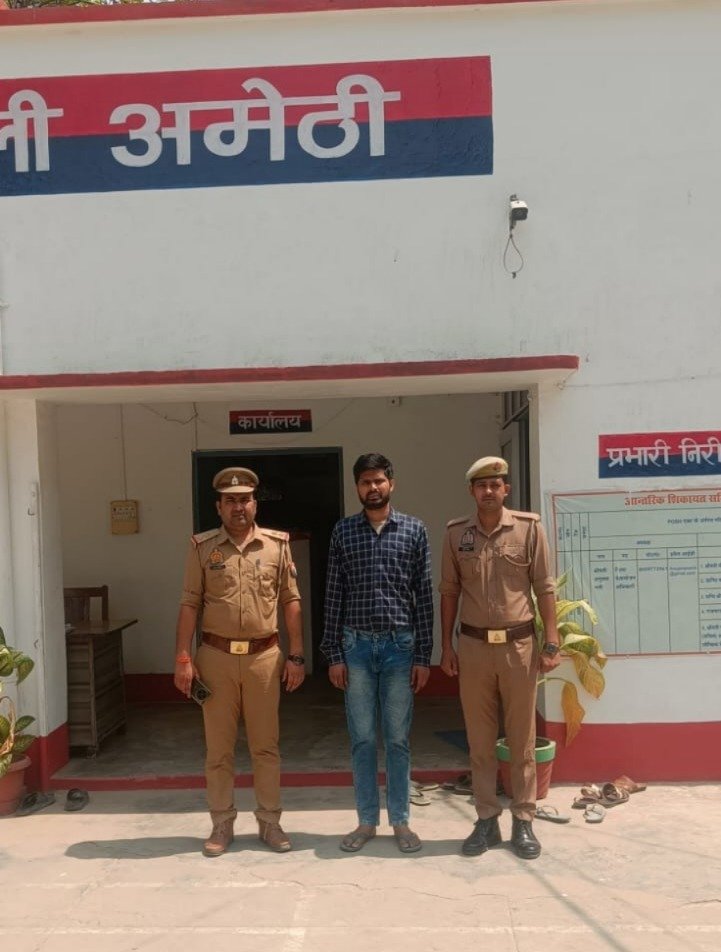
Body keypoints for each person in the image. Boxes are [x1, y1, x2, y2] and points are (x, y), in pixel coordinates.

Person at [174, 466, 305, 857]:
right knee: (219, 750)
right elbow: (189, 603)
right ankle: (221, 823)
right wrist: (183, 657)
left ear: (255, 503)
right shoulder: (202, 548)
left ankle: (270, 822)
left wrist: (296, 655)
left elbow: (291, 600)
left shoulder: (277, 546)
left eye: (245, 500)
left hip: (264, 659)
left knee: (266, 747)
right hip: (215, 658)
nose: (238, 507)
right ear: (218, 506)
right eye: (230, 501)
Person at [439, 456, 560, 860]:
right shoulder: (456, 534)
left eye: (495, 484)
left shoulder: (528, 528)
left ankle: (523, 820)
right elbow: (449, 591)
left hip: (518, 648)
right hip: (474, 648)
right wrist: (446, 646)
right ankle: (487, 819)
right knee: (480, 741)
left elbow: (544, 587)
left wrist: (552, 641)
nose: (488, 491)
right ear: (472, 491)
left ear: (506, 489)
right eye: (481, 485)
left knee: (522, 740)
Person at [321, 452, 433, 854]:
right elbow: (333, 594)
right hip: (356, 647)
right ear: (357, 487)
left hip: (400, 648)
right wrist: (333, 653)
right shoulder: (343, 532)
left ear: (391, 484)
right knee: (363, 739)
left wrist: (423, 656)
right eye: (365, 481)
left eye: (379, 480)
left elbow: (424, 595)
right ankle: (367, 820)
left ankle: (400, 821)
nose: (373, 487)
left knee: (398, 739)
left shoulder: (414, 530)